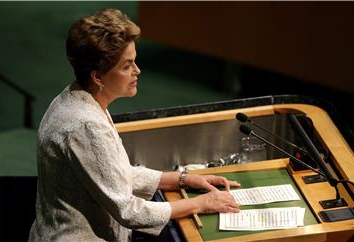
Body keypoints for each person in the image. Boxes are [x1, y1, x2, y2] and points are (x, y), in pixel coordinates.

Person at [28, 8, 240, 242]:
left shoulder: (75, 97)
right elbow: (127, 210)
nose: (137, 71)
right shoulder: (85, 126)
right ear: (98, 76)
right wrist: (200, 203)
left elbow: (113, 173)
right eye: (127, 66)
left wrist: (183, 179)